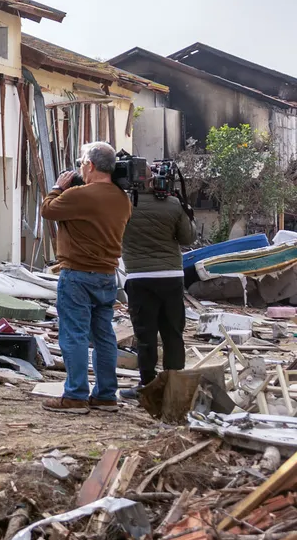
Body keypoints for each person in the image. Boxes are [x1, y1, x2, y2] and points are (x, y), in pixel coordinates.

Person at [41, 141, 133, 412]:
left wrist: (59, 186)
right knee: (104, 336)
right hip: (107, 275)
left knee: (75, 335)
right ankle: (106, 395)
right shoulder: (122, 199)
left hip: (78, 274)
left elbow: (48, 209)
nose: (80, 168)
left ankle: (75, 395)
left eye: (82, 163)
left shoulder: (80, 195)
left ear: (90, 165)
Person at [122, 167, 195, 384]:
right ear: (153, 179)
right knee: (173, 333)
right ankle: (173, 384)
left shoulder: (123, 204)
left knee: (146, 336)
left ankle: (147, 384)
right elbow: (187, 239)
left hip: (139, 277)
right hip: (170, 276)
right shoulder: (173, 204)